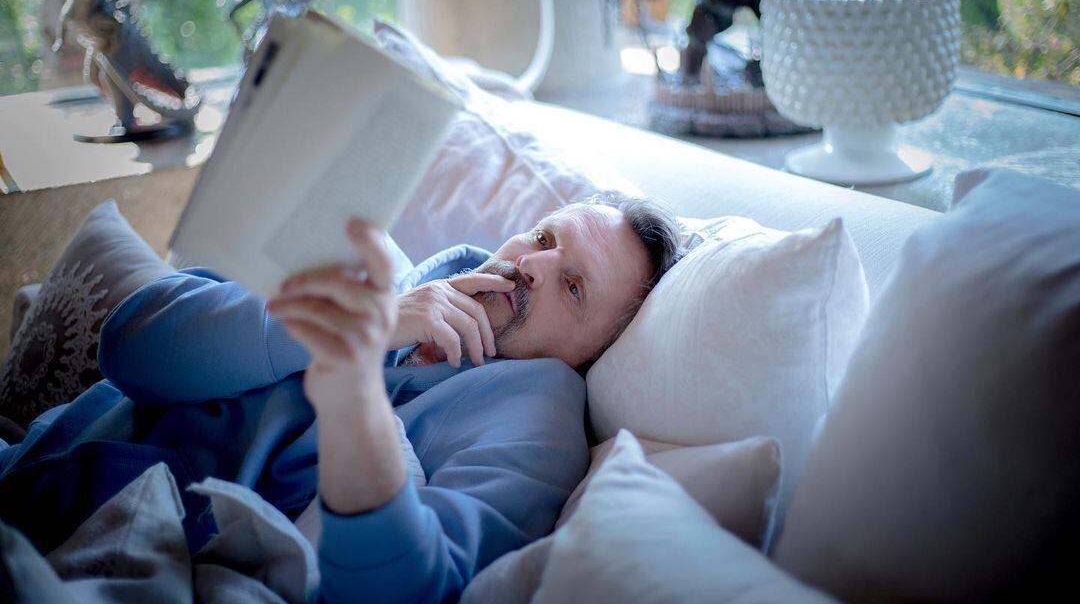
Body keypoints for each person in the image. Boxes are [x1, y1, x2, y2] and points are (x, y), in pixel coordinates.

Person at [0, 192, 682, 603]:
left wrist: (356, 393)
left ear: (593, 354)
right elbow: (130, 345)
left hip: (105, 544)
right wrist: (370, 316)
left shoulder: (534, 419)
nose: (530, 264)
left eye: (572, 287)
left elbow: (409, 589)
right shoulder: (376, 270)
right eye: (542, 236)